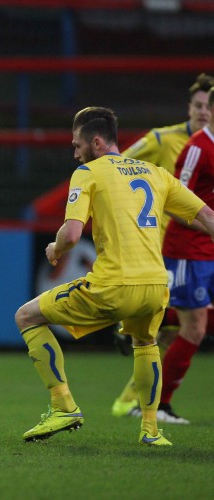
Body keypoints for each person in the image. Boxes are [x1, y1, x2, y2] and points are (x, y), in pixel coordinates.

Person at [14, 106, 214, 446]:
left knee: (27, 316)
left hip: (114, 284)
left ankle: (63, 406)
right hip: (154, 285)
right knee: (146, 344)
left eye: (77, 144)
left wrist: (56, 250)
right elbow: (208, 217)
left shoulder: (89, 173)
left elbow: (73, 233)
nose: (75, 152)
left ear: (95, 141)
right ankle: (151, 430)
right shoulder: (155, 172)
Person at [111, 73, 214, 420]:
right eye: (197, 106)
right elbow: (117, 164)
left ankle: (135, 338)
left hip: (200, 246)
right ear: (191, 107)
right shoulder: (170, 140)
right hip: (170, 247)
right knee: (185, 326)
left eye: (206, 106)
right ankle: (150, 400)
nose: (202, 112)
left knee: (180, 327)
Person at [152, 86, 214, 425]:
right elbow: (175, 201)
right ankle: (159, 405)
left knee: (197, 325)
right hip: (189, 252)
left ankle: (152, 321)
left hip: (210, 250)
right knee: (195, 328)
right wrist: (208, 227)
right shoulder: (197, 149)